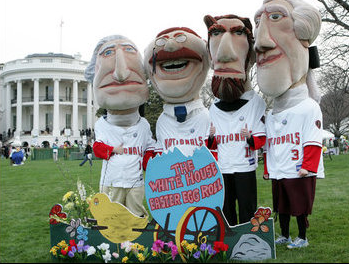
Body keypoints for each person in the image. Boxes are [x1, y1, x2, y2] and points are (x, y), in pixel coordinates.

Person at [254, 0, 324, 249]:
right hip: (280, 167)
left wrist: (308, 165)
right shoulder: (272, 113)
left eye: (275, 17)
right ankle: (283, 233)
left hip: (298, 168)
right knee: (281, 204)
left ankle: (302, 237)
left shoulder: (309, 107)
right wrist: (267, 167)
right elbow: (269, 142)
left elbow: (313, 140)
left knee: (299, 205)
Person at [203, 14, 267, 226]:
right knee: (226, 204)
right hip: (224, 167)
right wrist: (211, 138)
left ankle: (249, 234)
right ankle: (229, 235)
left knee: (247, 204)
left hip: (244, 166)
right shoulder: (213, 107)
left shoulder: (254, 103)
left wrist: (250, 138)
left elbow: (260, 138)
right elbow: (208, 142)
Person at [85, 35, 156, 217]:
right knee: (112, 213)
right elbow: (98, 148)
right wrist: (113, 149)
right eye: (108, 53)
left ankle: (136, 241)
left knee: (135, 211)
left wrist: (151, 162)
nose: (121, 73)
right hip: (112, 179)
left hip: (135, 179)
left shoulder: (143, 125)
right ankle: (112, 242)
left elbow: (150, 148)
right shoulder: (102, 124)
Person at [143, 27, 211, 157]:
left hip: (200, 174)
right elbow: (160, 152)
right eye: (162, 42)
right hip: (173, 174)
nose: (170, 45)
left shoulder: (206, 117)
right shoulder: (162, 120)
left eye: (180, 38)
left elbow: (213, 151)